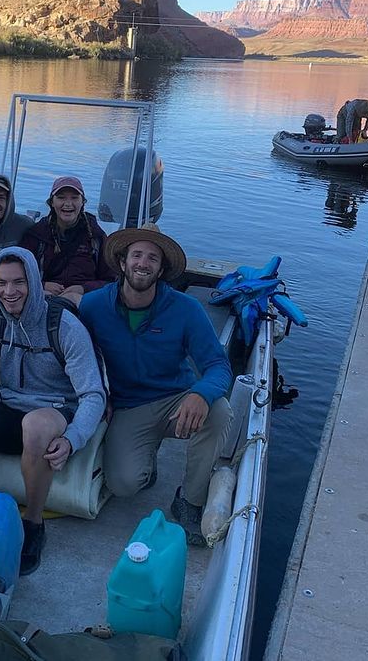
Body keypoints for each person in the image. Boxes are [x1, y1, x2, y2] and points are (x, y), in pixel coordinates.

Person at [0, 247, 105, 575]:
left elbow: (93, 395)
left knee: (36, 426)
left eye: (19, 282)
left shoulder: (63, 326)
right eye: (1, 283)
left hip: (55, 410)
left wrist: (72, 439)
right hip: (10, 404)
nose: (9, 292)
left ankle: (33, 523)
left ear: (35, 283)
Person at [79, 223, 233, 546]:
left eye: (152, 258)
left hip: (177, 399)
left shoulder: (185, 308)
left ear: (161, 269)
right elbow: (75, 357)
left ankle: (189, 501)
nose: (143, 263)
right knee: (123, 484)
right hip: (128, 405)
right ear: (123, 262)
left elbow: (218, 365)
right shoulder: (93, 307)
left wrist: (201, 394)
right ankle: (147, 467)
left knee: (219, 411)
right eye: (136, 254)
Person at [20, 176, 115, 305]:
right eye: (61, 197)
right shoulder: (36, 235)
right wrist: (42, 285)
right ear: (51, 202)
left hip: (86, 301)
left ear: (83, 202)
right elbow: (18, 276)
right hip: (44, 300)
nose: (68, 203)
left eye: (74, 198)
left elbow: (111, 281)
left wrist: (83, 289)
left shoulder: (96, 236)